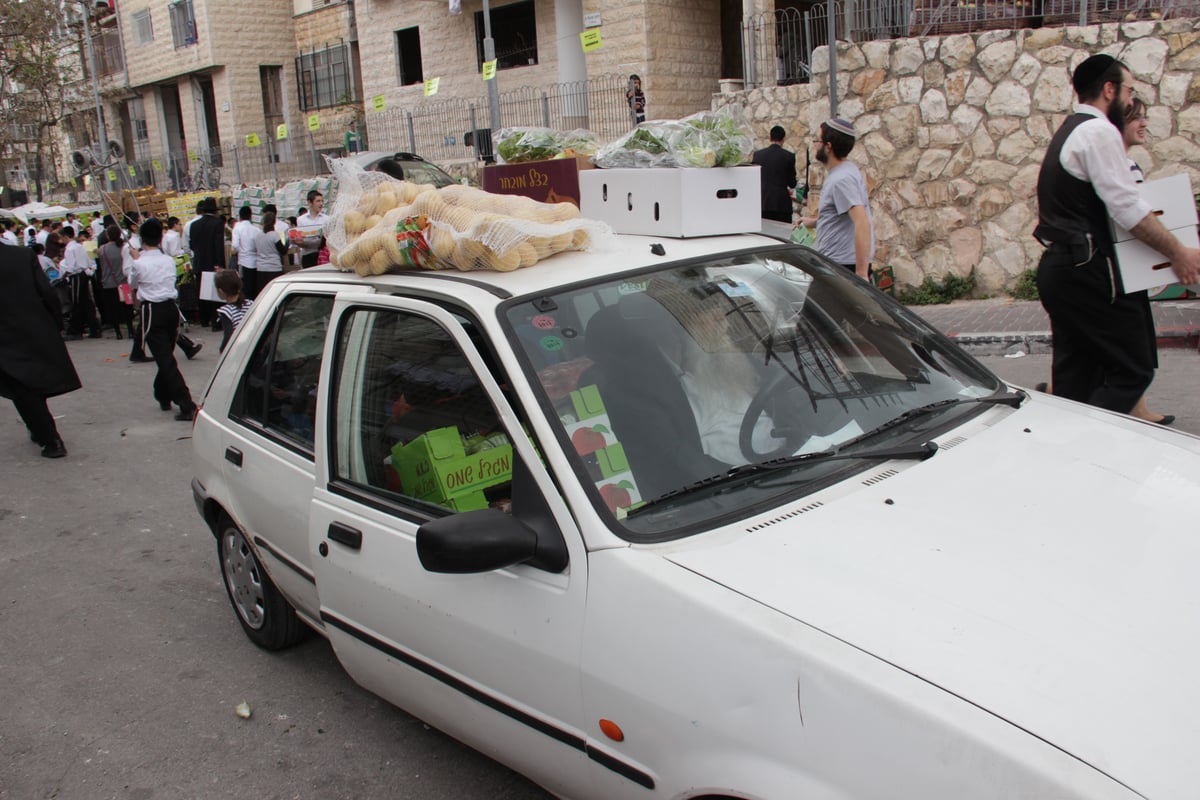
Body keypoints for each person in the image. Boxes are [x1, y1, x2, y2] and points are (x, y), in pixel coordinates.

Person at [1033, 54, 1200, 417]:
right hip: (1090, 270)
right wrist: (1179, 252)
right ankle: (1090, 445)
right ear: (1109, 90)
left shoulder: (1071, 130)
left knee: (1077, 379)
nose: (1130, 101)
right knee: (1132, 370)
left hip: (1063, 270)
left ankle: (1065, 454)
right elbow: (1126, 209)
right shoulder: (1098, 132)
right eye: (1129, 91)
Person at [0, 245, 81, 457]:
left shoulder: (23, 254)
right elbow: (45, 290)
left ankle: (50, 438)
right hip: (34, 326)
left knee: (20, 386)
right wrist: (55, 322)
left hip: (5, 336)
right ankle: (39, 429)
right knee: (28, 383)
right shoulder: (22, 254)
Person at [128, 218, 196, 420]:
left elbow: (132, 283)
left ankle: (186, 403)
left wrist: (135, 259)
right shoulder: (168, 260)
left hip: (152, 310)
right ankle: (162, 394)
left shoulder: (139, 263)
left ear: (142, 238)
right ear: (160, 238)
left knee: (165, 359)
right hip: (171, 310)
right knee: (165, 356)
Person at [798, 118, 875, 280]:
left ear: (828, 147)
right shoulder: (846, 170)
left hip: (842, 267)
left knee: (813, 306)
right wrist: (813, 222)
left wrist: (861, 274)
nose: (815, 145)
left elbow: (862, 222)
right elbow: (840, 212)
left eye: (818, 140)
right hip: (837, 264)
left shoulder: (842, 179)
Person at [186, 196, 226, 327]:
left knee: (202, 292)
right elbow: (218, 245)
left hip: (199, 262)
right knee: (215, 292)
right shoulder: (217, 223)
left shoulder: (194, 225)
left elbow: (191, 245)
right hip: (212, 262)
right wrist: (220, 263)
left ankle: (204, 319)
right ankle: (216, 320)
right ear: (215, 210)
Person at [60, 226, 101, 340]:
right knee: (86, 302)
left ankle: (76, 330)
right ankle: (94, 328)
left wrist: (64, 275)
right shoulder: (79, 246)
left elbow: (71, 266)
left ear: (65, 236)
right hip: (84, 274)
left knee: (77, 302)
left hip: (76, 276)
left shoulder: (70, 249)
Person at [752, 125, 798, 223]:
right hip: (781, 203)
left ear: (770, 138)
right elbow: (792, 183)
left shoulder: (758, 155)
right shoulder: (788, 156)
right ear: (784, 139)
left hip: (763, 202)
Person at [97, 224, 134, 341]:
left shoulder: (102, 250)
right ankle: (131, 330)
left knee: (113, 308)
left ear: (108, 236)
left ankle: (118, 333)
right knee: (127, 308)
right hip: (124, 282)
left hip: (109, 282)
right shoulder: (124, 247)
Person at [214, 269, 253, 353]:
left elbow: (228, 335)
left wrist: (222, 350)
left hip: (238, 350)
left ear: (221, 291)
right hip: (252, 345)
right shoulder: (251, 304)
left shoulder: (226, 311)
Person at [252, 210, 287, 293]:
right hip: (274, 268)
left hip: (261, 268)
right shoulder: (274, 235)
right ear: (274, 222)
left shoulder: (258, 235)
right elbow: (283, 251)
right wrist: (288, 243)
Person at [295, 190, 329, 268]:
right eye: (318, 201)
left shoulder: (327, 219)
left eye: (322, 201)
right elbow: (302, 240)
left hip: (323, 255)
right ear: (310, 202)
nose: (321, 204)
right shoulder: (301, 220)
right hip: (308, 256)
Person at [231, 205, 258, 299]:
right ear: (251, 216)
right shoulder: (256, 229)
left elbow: (235, 245)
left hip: (243, 261)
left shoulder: (237, 228)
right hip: (256, 262)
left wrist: (239, 251)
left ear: (240, 216)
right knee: (255, 288)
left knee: (245, 288)